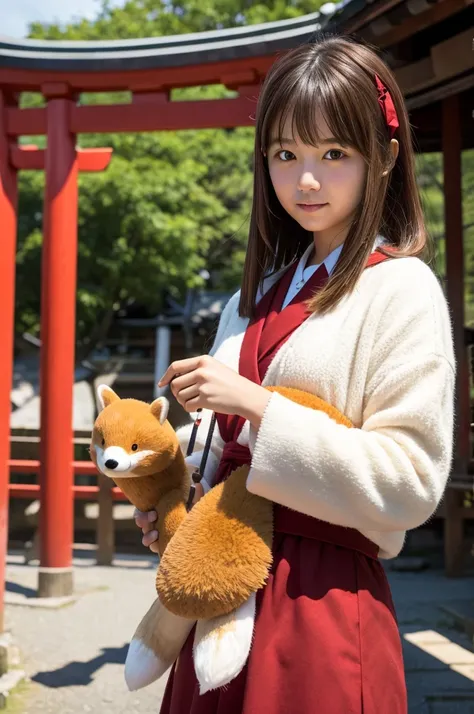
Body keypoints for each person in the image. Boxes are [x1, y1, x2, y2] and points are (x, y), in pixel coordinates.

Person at [134, 34, 455, 714]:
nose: (306, 179)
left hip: (325, 599)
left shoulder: (402, 289)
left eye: (334, 154)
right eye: (286, 154)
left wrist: (259, 406)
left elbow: (413, 483)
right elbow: (221, 462)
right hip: (220, 593)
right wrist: (176, 508)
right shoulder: (247, 300)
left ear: (386, 158)